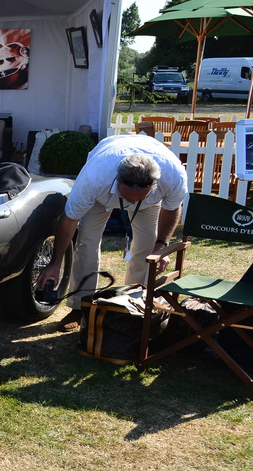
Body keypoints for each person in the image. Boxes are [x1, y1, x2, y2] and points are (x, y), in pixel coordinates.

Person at [36, 133, 188, 332]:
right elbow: (70, 219)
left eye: (138, 198)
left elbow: (172, 208)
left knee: (147, 247)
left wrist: (161, 246)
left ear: (153, 185)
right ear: (117, 181)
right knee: (86, 242)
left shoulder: (173, 175)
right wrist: (55, 264)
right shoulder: (94, 178)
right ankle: (81, 307)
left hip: (149, 203)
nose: (131, 203)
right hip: (102, 196)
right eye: (127, 197)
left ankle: (133, 304)